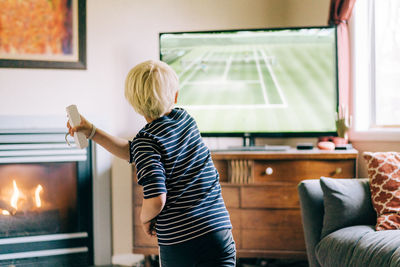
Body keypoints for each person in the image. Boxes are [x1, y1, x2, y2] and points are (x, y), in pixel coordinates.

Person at [67, 60, 236, 266]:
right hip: (218, 230)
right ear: (175, 96)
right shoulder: (186, 120)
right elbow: (133, 151)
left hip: (181, 240)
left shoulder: (145, 142)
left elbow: (156, 199)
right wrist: (92, 130)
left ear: (134, 103)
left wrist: (145, 218)